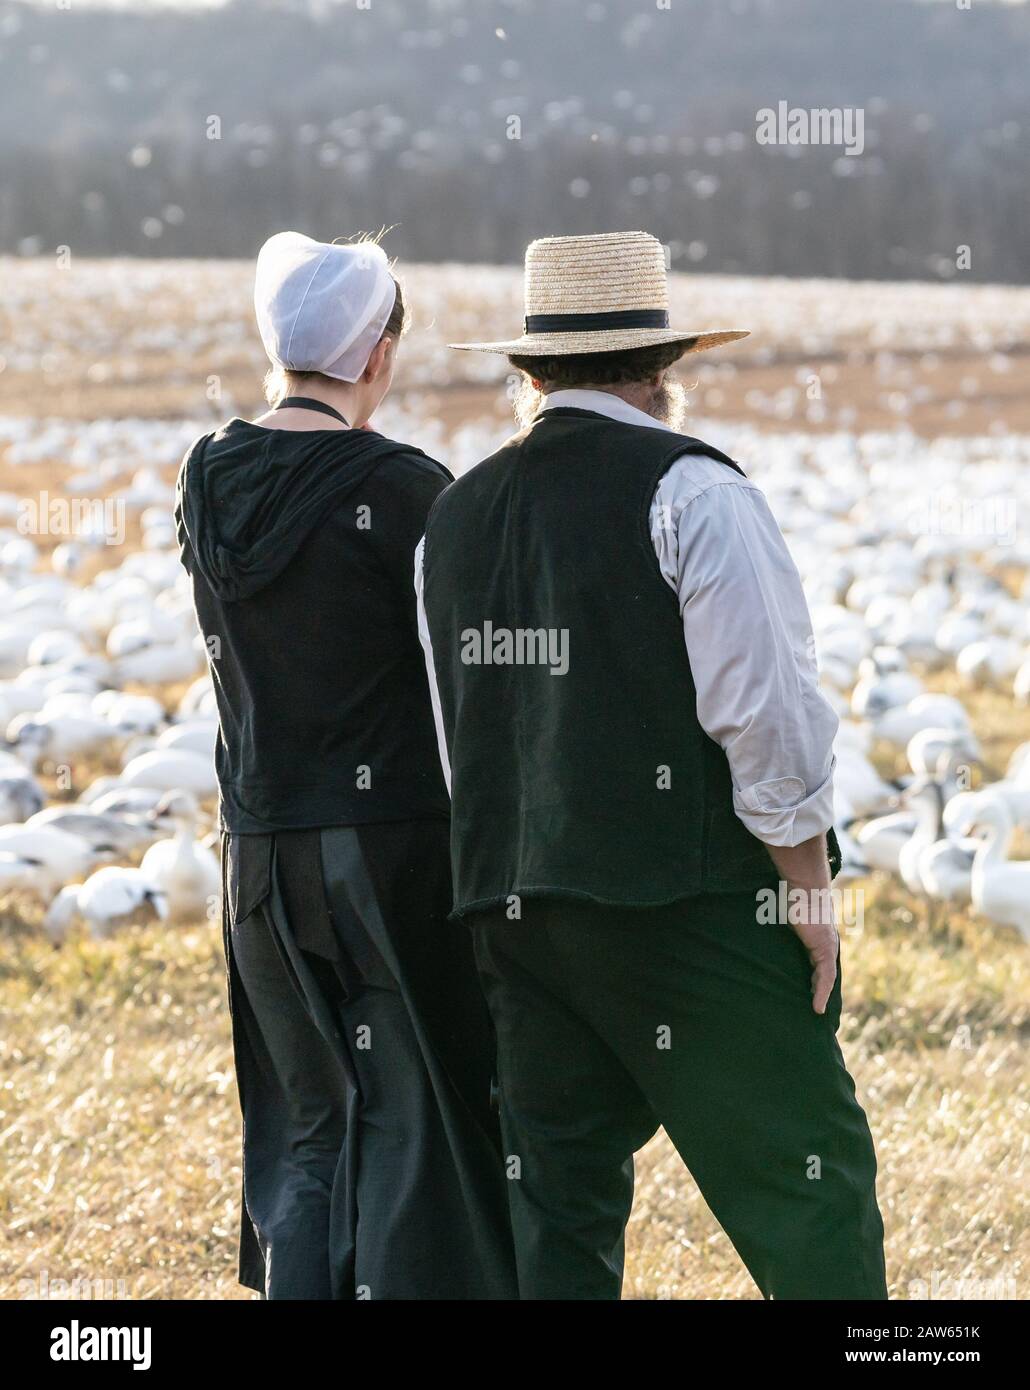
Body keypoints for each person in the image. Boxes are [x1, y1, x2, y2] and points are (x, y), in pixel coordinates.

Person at [415, 230, 887, 1300]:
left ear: (530, 371)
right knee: (806, 1180)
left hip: (513, 908)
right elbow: (761, 711)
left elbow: (462, 734)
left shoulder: (449, 517)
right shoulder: (695, 492)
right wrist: (804, 884)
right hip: (687, 902)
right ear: (662, 370)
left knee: (560, 1206)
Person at [175, 230, 515, 1300]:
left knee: (309, 1124)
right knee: (417, 1124)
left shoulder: (207, 475)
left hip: (258, 855)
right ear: (377, 353)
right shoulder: (408, 487)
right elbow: (471, 687)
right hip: (387, 851)